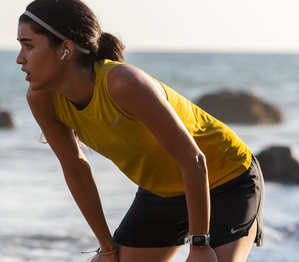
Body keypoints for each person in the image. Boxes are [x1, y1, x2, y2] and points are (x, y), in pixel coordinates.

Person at [16, 0, 265, 261]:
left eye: (28, 46)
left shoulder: (123, 83)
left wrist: (199, 245)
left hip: (227, 181)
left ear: (65, 49)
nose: (20, 58)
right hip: (160, 193)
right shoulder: (42, 99)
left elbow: (193, 159)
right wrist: (107, 248)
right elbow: (76, 170)